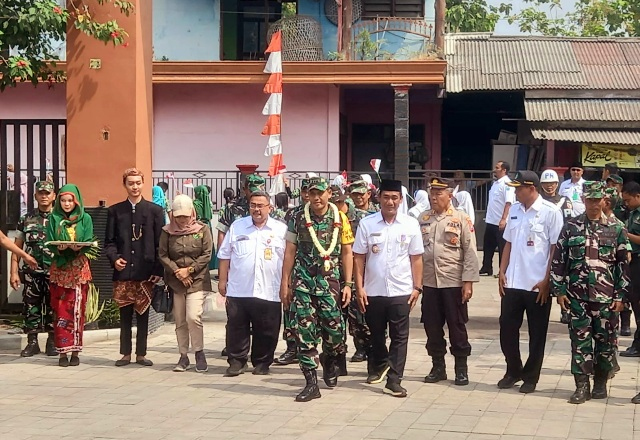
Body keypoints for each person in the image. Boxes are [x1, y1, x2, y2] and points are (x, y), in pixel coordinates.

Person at [550, 181, 629, 403]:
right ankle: (581, 386)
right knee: (580, 342)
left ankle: (600, 382)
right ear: (584, 200)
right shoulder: (571, 226)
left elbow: (623, 265)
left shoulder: (616, 228)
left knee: (606, 343)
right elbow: (559, 261)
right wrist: (559, 290)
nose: (593, 204)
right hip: (577, 297)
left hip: (606, 298)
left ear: (604, 200)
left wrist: (621, 296)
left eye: (597, 200)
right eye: (589, 200)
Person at [280, 177, 354, 402]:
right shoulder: (297, 217)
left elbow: (347, 252)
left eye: (320, 193)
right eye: (312, 193)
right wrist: (285, 283)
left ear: (329, 193)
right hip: (303, 282)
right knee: (304, 331)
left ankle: (330, 359)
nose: (316, 197)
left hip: (330, 283)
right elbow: (290, 251)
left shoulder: (339, 217)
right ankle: (311, 383)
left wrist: (348, 284)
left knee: (335, 332)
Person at [353, 179, 424, 398]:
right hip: (373, 291)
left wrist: (417, 287)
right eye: (386, 197)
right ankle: (381, 363)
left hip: (401, 290)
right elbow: (358, 257)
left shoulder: (410, 224)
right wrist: (359, 287)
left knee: (400, 337)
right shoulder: (367, 224)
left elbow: (416, 258)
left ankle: (394, 380)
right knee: (375, 334)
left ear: (401, 200)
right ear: (379, 198)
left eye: (394, 198)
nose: (390, 202)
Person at [497, 171, 563, 393]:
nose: (515, 192)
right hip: (513, 282)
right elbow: (508, 243)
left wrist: (547, 280)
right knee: (507, 328)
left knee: (537, 333)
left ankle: (531, 377)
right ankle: (513, 370)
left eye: (519, 188)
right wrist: (501, 271)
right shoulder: (515, 210)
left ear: (531, 188)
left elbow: (554, 249)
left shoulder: (550, 212)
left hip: (537, 284)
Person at [217, 191, 286, 376]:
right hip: (239, 288)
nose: (256, 209)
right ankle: (237, 361)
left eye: (260, 206)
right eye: (253, 205)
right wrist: (222, 280)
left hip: (269, 289)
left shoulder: (280, 229)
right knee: (236, 327)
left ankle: (262, 362)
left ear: (269, 208)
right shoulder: (237, 226)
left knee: (267, 329)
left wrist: (286, 284)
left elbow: (288, 258)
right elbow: (224, 255)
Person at [420, 177, 479, 387]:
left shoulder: (461, 218)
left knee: (457, 325)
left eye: (439, 193)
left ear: (450, 195)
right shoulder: (423, 218)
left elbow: (470, 252)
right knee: (432, 326)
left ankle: (461, 369)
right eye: (432, 193)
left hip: (453, 281)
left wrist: (468, 281)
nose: (434, 197)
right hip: (429, 282)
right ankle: (438, 367)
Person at [105, 168, 165, 367]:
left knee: (143, 314)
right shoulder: (115, 211)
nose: (135, 187)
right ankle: (125, 353)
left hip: (145, 271)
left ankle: (141, 353)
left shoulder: (155, 211)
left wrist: (157, 270)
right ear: (125, 185)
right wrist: (114, 259)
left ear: (143, 183)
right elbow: (109, 242)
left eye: (138, 183)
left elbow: (160, 244)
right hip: (123, 271)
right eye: (131, 183)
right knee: (124, 314)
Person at [159, 195, 213, 373]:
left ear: (192, 213)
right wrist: (178, 272)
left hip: (197, 280)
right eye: (179, 216)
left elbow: (207, 254)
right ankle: (183, 355)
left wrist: (189, 270)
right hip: (176, 282)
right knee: (180, 320)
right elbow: (163, 255)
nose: (182, 220)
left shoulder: (202, 229)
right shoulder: (167, 232)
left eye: (185, 216)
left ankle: (199, 352)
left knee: (193, 316)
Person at [45, 184, 96, 367]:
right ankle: (62, 353)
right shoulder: (54, 218)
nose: (66, 204)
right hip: (60, 269)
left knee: (77, 311)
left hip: (79, 269)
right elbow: (49, 240)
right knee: (60, 311)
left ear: (77, 201)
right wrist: (59, 248)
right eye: (63, 200)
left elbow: (88, 240)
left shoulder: (85, 218)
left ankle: (75, 352)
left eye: (70, 200)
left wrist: (78, 248)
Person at [10, 181, 57, 357]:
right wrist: (13, 272)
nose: (44, 196)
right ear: (35, 196)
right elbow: (17, 248)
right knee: (31, 308)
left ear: (53, 196)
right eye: (41, 193)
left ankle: (52, 342)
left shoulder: (60, 219)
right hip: (32, 274)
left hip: (54, 272)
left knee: (54, 307)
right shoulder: (26, 219)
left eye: (47, 193)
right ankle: (32, 342)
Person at [274, 177, 312, 366]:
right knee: (290, 311)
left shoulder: (329, 214)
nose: (307, 195)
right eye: (304, 191)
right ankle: (291, 348)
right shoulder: (292, 214)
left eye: (310, 192)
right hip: (296, 272)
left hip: (320, 275)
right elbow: (287, 246)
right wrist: (286, 278)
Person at [539, 169, 574, 325]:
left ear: (557, 184)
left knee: (563, 276)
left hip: (562, 243)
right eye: (546, 184)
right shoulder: (538, 201)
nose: (549, 186)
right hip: (543, 243)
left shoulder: (564, 201)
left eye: (552, 183)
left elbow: (570, 221)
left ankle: (565, 310)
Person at [480, 161, 515, 277]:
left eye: (497, 168)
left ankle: (502, 270)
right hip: (491, 220)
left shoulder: (507, 184)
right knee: (488, 246)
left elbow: (508, 203)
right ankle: (486, 267)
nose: (495, 170)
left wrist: (504, 219)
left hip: (501, 221)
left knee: (502, 247)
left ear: (504, 170)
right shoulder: (495, 183)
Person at [621, 181, 640, 359]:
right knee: (634, 303)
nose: (626, 204)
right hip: (632, 262)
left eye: (628, 200)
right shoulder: (633, 213)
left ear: (637, 196)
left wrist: (625, 234)